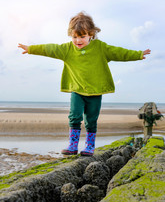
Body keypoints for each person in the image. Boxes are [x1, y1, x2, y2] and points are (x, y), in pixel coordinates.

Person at [18, 11, 151, 156]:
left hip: (95, 91)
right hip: (77, 90)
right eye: (75, 37)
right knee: (74, 116)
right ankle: (73, 145)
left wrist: (138, 54)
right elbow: (50, 49)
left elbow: (119, 52)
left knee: (91, 120)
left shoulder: (100, 48)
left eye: (82, 36)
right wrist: (31, 49)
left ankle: (89, 146)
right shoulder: (67, 49)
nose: (78, 40)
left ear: (91, 34)